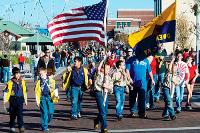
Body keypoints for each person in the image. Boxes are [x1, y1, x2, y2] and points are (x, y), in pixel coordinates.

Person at [126, 50, 155, 118]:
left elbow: (149, 71)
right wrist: (129, 78)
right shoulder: (131, 59)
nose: (140, 53)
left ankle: (142, 113)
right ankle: (132, 112)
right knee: (132, 97)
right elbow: (127, 70)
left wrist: (152, 79)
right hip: (133, 82)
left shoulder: (146, 60)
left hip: (142, 83)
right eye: (138, 52)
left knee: (142, 98)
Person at [3, 67, 27, 133]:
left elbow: (24, 91)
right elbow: (6, 91)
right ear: (13, 74)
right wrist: (5, 100)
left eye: (19, 73)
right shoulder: (10, 82)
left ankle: (21, 126)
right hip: (13, 99)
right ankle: (12, 126)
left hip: (20, 99)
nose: (18, 75)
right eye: (16, 74)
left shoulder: (22, 81)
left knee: (20, 114)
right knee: (12, 114)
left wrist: (25, 99)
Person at [35, 67, 59, 132]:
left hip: (50, 97)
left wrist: (56, 95)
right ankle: (45, 126)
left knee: (51, 112)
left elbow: (55, 87)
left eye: (42, 74)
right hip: (42, 98)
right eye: (40, 74)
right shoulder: (38, 82)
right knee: (44, 112)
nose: (41, 75)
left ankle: (46, 121)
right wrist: (37, 101)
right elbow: (37, 92)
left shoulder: (51, 80)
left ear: (45, 73)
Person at [93, 56, 113, 133]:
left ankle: (97, 120)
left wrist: (106, 86)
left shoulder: (109, 77)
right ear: (102, 69)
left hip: (105, 93)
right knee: (103, 112)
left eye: (109, 69)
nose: (108, 70)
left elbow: (111, 88)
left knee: (105, 111)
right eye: (106, 69)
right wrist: (103, 60)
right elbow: (98, 69)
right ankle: (104, 128)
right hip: (99, 93)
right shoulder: (99, 74)